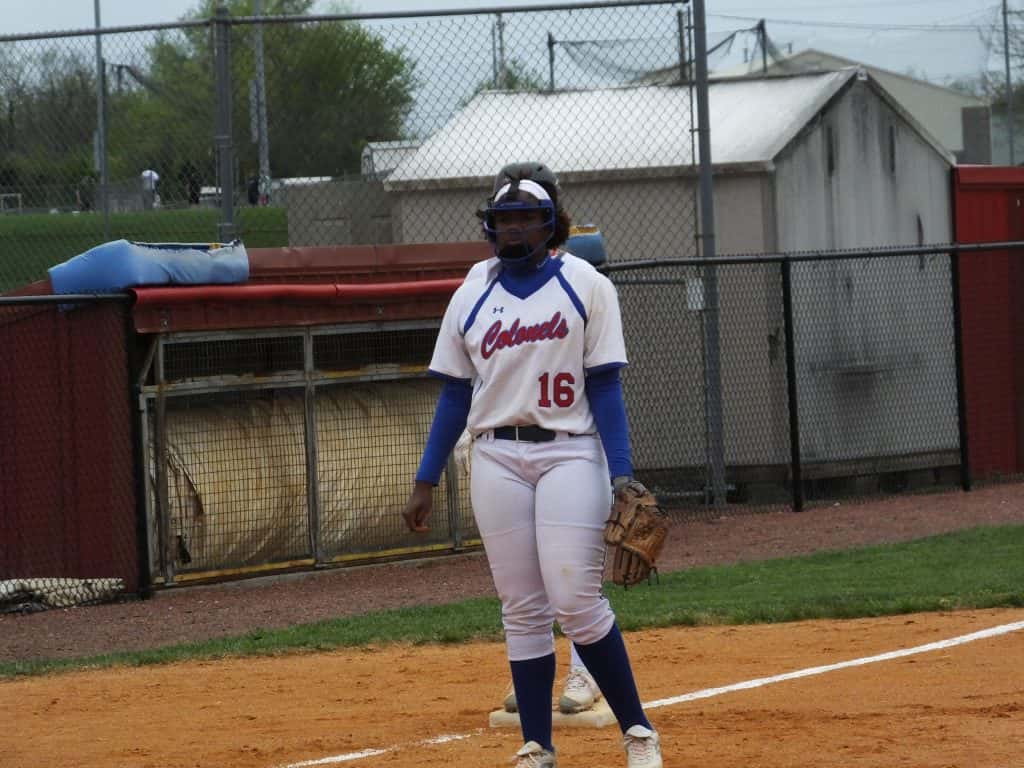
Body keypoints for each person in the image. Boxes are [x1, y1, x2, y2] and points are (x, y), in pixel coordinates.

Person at [402, 161, 662, 768]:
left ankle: (639, 732)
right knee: (521, 607)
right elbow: (455, 394)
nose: (514, 228)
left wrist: (621, 473)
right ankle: (538, 746)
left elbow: (605, 385)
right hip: (495, 453)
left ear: (551, 224)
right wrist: (425, 477)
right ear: (490, 226)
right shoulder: (472, 292)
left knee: (575, 599)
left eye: (526, 218)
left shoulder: (586, 285)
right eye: (504, 218)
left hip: (570, 449)